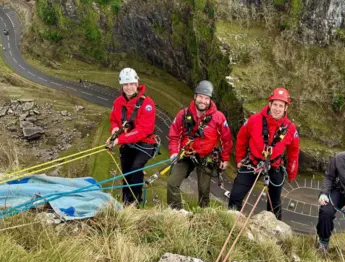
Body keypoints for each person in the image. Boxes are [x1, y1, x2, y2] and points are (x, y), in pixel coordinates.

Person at [228, 88, 300, 220]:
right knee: (235, 196)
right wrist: (239, 158)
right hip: (253, 162)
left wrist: (291, 172)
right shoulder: (254, 120)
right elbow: (241, 138)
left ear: (285, 108)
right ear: (270, 104)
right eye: (275, 104)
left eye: (281, 105)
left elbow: (293, 152)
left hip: (275, 165)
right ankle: (232, 222)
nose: (277, 109)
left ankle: (274, 230)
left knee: (274, 204)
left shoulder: (290, 128)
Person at [167, 80, 233, 209]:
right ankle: (176, 212)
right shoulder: (184, 114)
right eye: (201, 97)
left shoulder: (218, 117)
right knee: (172, 183)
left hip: (205, 156)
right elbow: (174, 135)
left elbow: (227, 139)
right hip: (186, 153)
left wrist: (225, 159)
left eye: (206, 98)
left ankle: (203, 215)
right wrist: (174, 152)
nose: (203, 101)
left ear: (210, 100)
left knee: (204, 190)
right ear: (195, 97)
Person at [107, 67, 158, 206]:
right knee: (126, 171)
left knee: (136, 168)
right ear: (122, 86)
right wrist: (115, 129)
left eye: (131, 84)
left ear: (137, 84)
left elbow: (142, 130)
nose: (129, 87)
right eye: (126, 84)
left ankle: (135, 202)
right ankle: (125, 201)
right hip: (127, 143)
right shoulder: (118, 102)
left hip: (145, 143)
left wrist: (119, 139)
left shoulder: (147, 104)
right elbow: (113, 120)